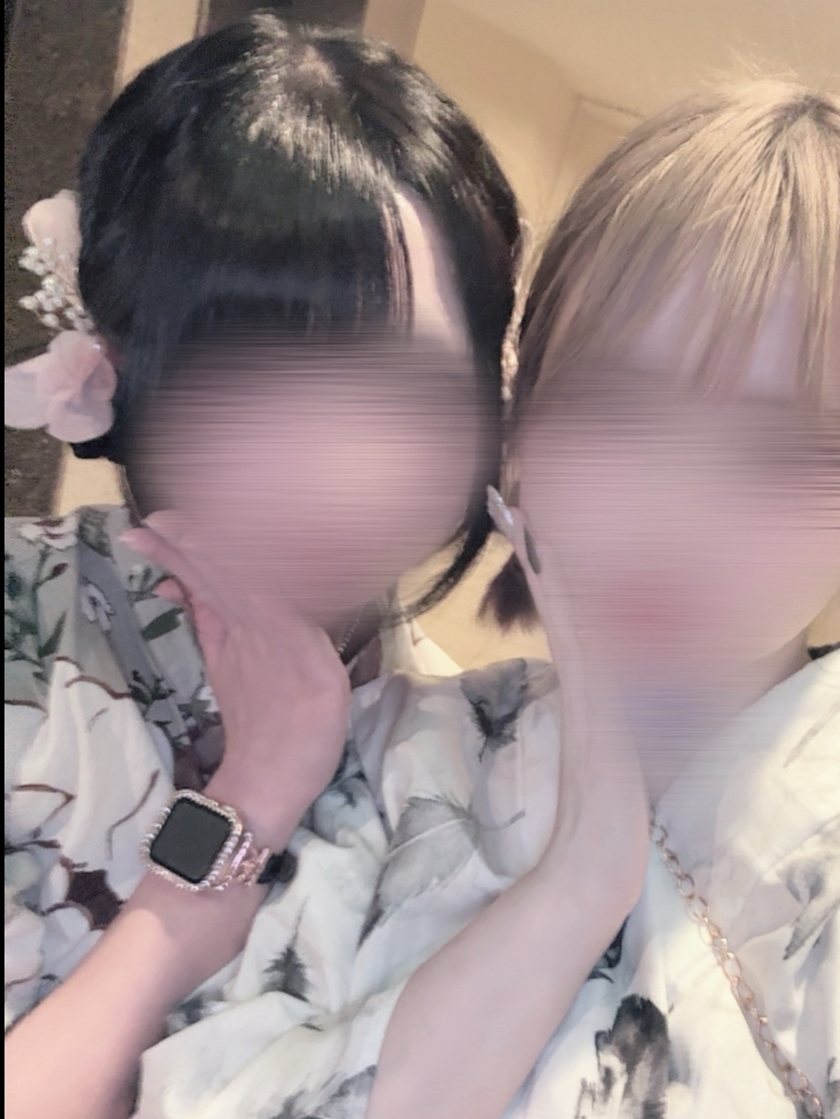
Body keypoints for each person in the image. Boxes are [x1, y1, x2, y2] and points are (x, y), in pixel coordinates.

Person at [7, 76, 838, 1119]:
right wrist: (573, 885)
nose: (675, 513)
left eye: (784, 449)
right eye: (614, 404)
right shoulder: (391, 753)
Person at [3, 12, 521, 1117]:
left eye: (407, 388)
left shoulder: (479, 752)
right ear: (122, 365)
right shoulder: (19, 633)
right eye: (252, 379)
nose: (338, 470)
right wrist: (249, 800)